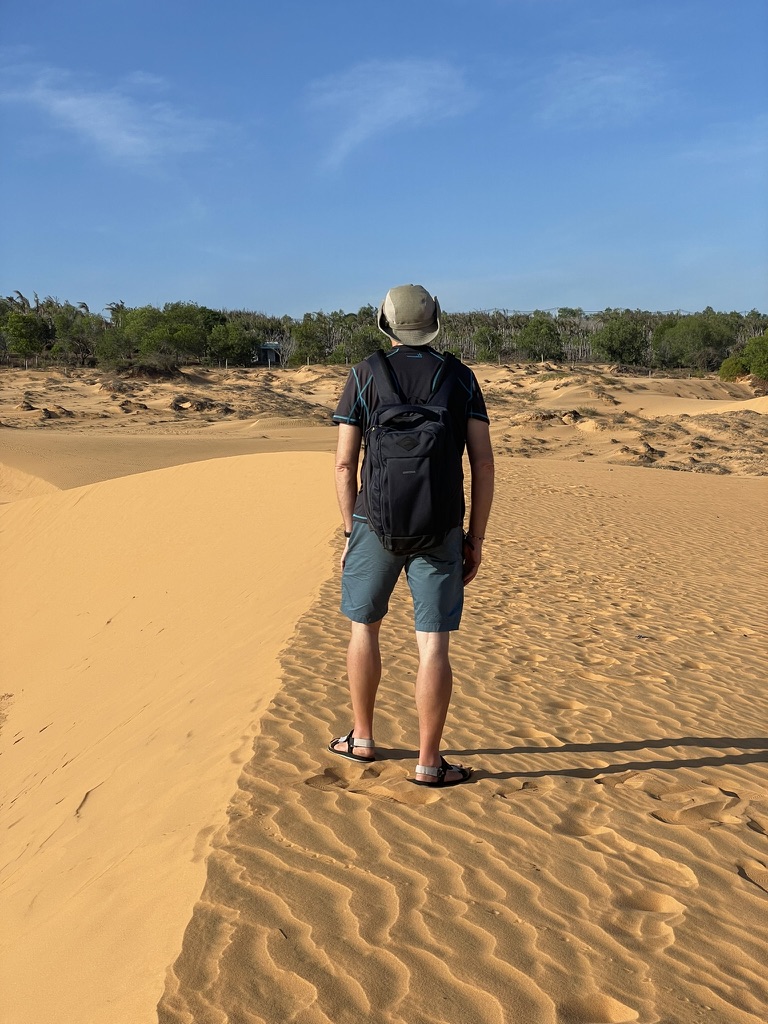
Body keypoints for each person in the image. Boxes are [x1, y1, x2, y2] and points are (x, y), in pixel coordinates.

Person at [329, 284, 494, 786]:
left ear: (385, 323)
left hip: (373, 523)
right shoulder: (460, 378)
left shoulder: (363, 375)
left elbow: (343, 465)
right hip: (440, 525)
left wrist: (351, 528)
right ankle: (428, 762)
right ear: (435, 321)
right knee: (433, 646)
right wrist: (475, 537)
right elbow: (483, 462)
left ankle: (362, 738)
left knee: (364, 629)